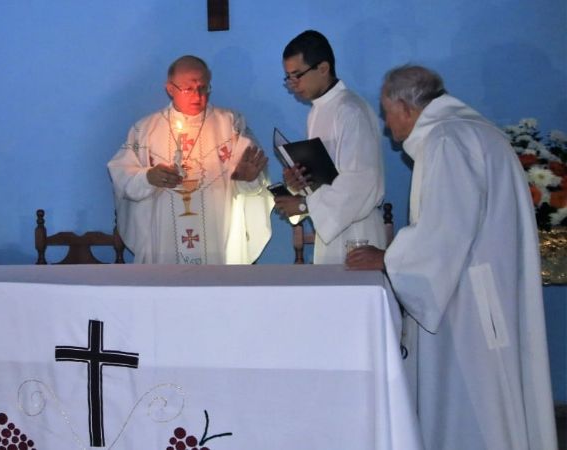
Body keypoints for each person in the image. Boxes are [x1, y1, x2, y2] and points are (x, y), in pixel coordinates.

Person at [347, 65, 557, 450]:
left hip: (468, 307)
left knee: (472, 408)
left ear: (406, 108)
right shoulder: (470, 130)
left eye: (385, 111)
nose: (384, 122)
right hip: (480, 292)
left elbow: (445, 229)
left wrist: (389, 257)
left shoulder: (447, 139)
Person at [108, 55, 273, 264]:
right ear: (170, 88)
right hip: (164, 240)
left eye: (203, 88)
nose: (197, 96)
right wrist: (148, 177)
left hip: (218, 234)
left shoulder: (231, 124)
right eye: (188, 89)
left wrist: (248, 178)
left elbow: (254, 179)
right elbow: (121, 174)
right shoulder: (145, 130)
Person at [274, 30, 386, 263]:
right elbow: (326, 177)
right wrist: (299, 183)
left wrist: (305, 204)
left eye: (297, 75)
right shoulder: (317, 111)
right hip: (331, 231)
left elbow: (359, 182)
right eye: (288, 78)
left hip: (357, 233)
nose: (293, 85)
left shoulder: (350, 111)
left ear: (323, 68)